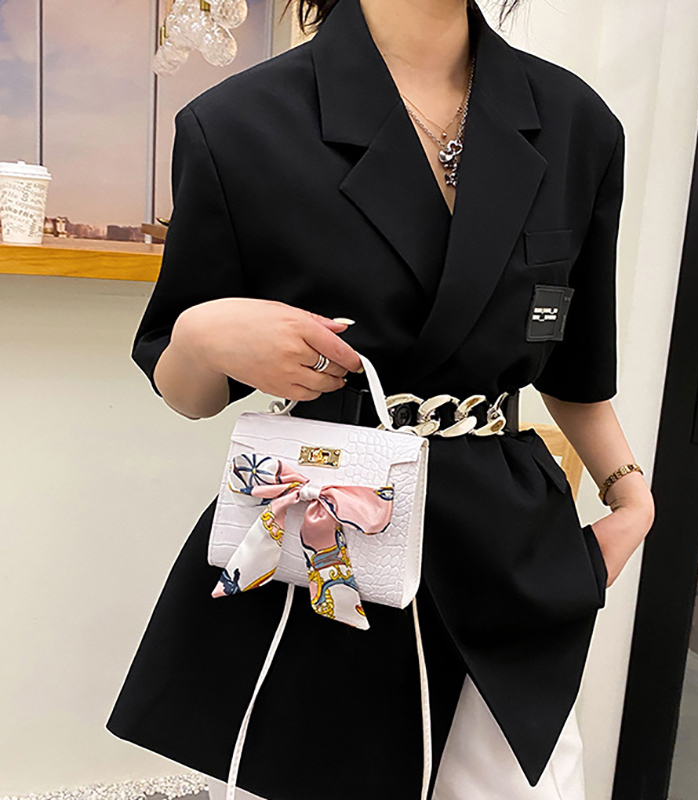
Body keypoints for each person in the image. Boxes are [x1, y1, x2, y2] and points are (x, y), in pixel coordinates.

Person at [105, 0, 655, 798]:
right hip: (327, 534)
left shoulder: (577, 124)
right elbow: (189, 392)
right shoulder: (238, 124)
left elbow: (575, 367)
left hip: (505, 551)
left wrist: (630, 494)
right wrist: (201, 334)